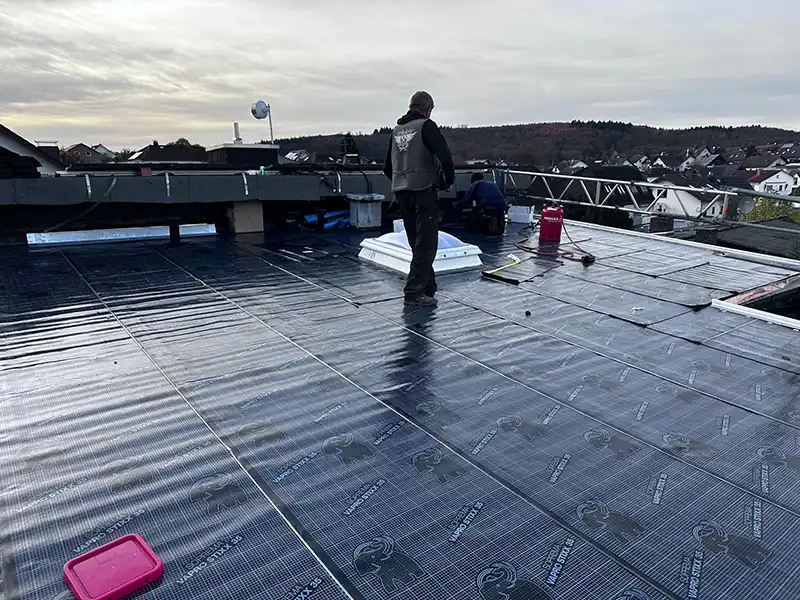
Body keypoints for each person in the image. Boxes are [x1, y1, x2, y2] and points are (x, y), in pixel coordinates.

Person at [383, 91, 455, 306]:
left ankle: (428, 287)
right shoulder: (426, 126)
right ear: (428, 109)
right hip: (423, 190)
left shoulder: (396, 131)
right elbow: (445, 157)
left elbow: (387, 167)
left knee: (416, 241)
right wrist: (446, 181)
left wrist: (402, 182)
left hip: (401, 192)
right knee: (426, 243)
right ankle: (414, 292)